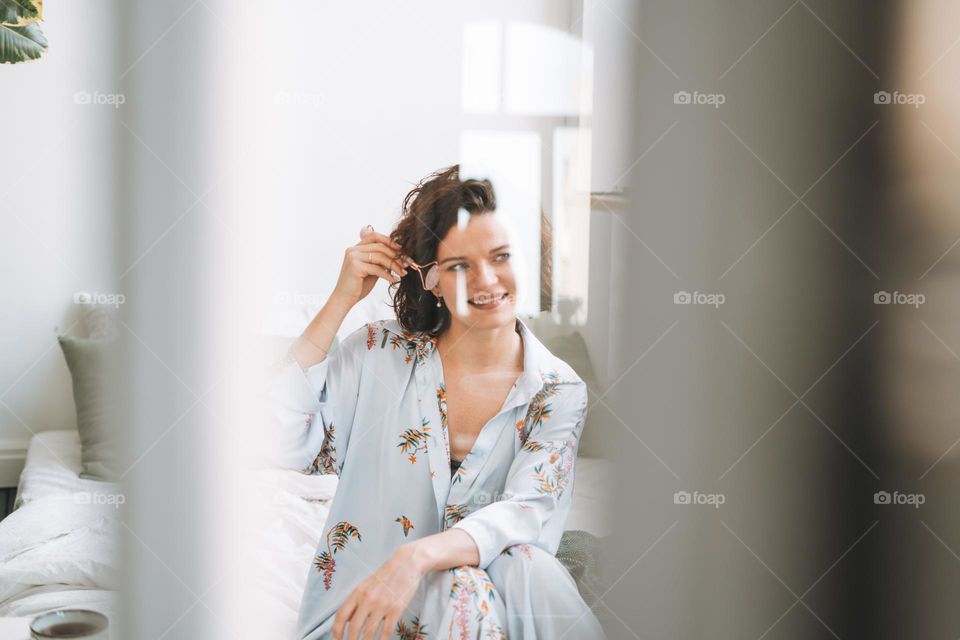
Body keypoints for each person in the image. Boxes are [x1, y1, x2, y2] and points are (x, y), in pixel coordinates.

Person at [269, 165, 606, 639]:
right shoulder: (376, 355)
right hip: (368, 618)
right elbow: (277, 438)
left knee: (530, 565)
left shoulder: (557, 389)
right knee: (468, 586)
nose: (486, 280)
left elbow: (528, 513)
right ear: (431, 280)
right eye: (460, 266)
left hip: (499, 613)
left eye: (502, 255)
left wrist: (417, 556)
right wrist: (341, 300)